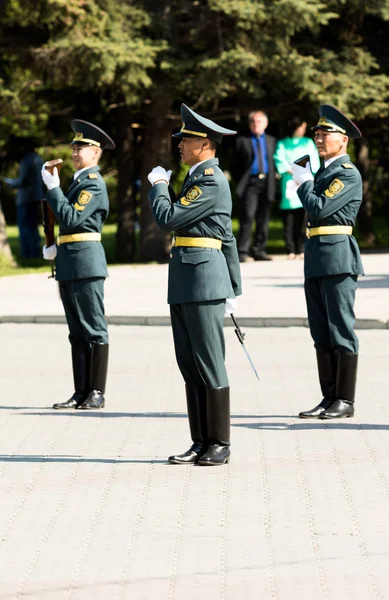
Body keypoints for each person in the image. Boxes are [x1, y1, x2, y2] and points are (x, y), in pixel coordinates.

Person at [147, 103, 242, 466]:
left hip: (203, 280)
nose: (179, 145)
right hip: (187, 278)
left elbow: (168, 217)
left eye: (185, 139)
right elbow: (229, 237)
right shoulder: (196, 178)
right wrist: (235, 285)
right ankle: (199, 441)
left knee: (209, 363)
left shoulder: (211, 180)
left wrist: (159, 186)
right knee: (189, 363)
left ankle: (219, 441)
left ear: (204, 143)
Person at [291, 105, 364, 420]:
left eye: (326, 134)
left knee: (340, 330)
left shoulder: (347, 174)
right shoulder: (324, 172)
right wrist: (309, 180)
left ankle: (344, 400)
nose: (319, 139)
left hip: (337, 259)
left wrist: (303, 182)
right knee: (320, 331)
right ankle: (328, 397)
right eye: (317, 134)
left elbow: (319, 209)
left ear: (343, 140)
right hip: (318, 258)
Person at [41, 120, 115, 410]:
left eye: (81, 147)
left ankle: (96, 391)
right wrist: (51, 244)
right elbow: (60, 220)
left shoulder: (94, 185)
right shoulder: (78, 183)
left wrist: (54, 188)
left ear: (96, 153)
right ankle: (80, 391)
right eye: (73, 146)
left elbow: (71, 218)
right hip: (70, 261)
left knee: (94, 327)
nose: (74, 151)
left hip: (87, 262)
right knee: (76, 330)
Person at [233, 110, 276, 262]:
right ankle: (242, 252)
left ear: (265, 123)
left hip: (267, 182)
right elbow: (235, 165)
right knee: (248, 215)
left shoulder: (271, 140)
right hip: (250, 183)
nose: (256, 124)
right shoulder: (242, 141)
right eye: (253, 121)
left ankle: (259, 250)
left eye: (259, 121)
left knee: (263, 217)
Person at [273, 117, 320, 259]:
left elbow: (314, 160)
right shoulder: (283, 143)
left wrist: (305, 172)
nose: (303, 130)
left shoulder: (308, 142)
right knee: (289, 217)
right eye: (301, 127)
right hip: (290, 181)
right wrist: (291, 170)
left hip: (305, 179)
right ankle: (290, 249)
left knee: (304, 215)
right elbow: (279, 159)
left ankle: (302, 247)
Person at [4, 138, 43, 258]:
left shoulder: (27, 160)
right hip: (37, 197)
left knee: (25, 227)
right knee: (33, 226)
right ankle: (35, 252)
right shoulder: (39, 159)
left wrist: (9, 182)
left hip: (25, 198)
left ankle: (28, 253)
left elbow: (23, 180)